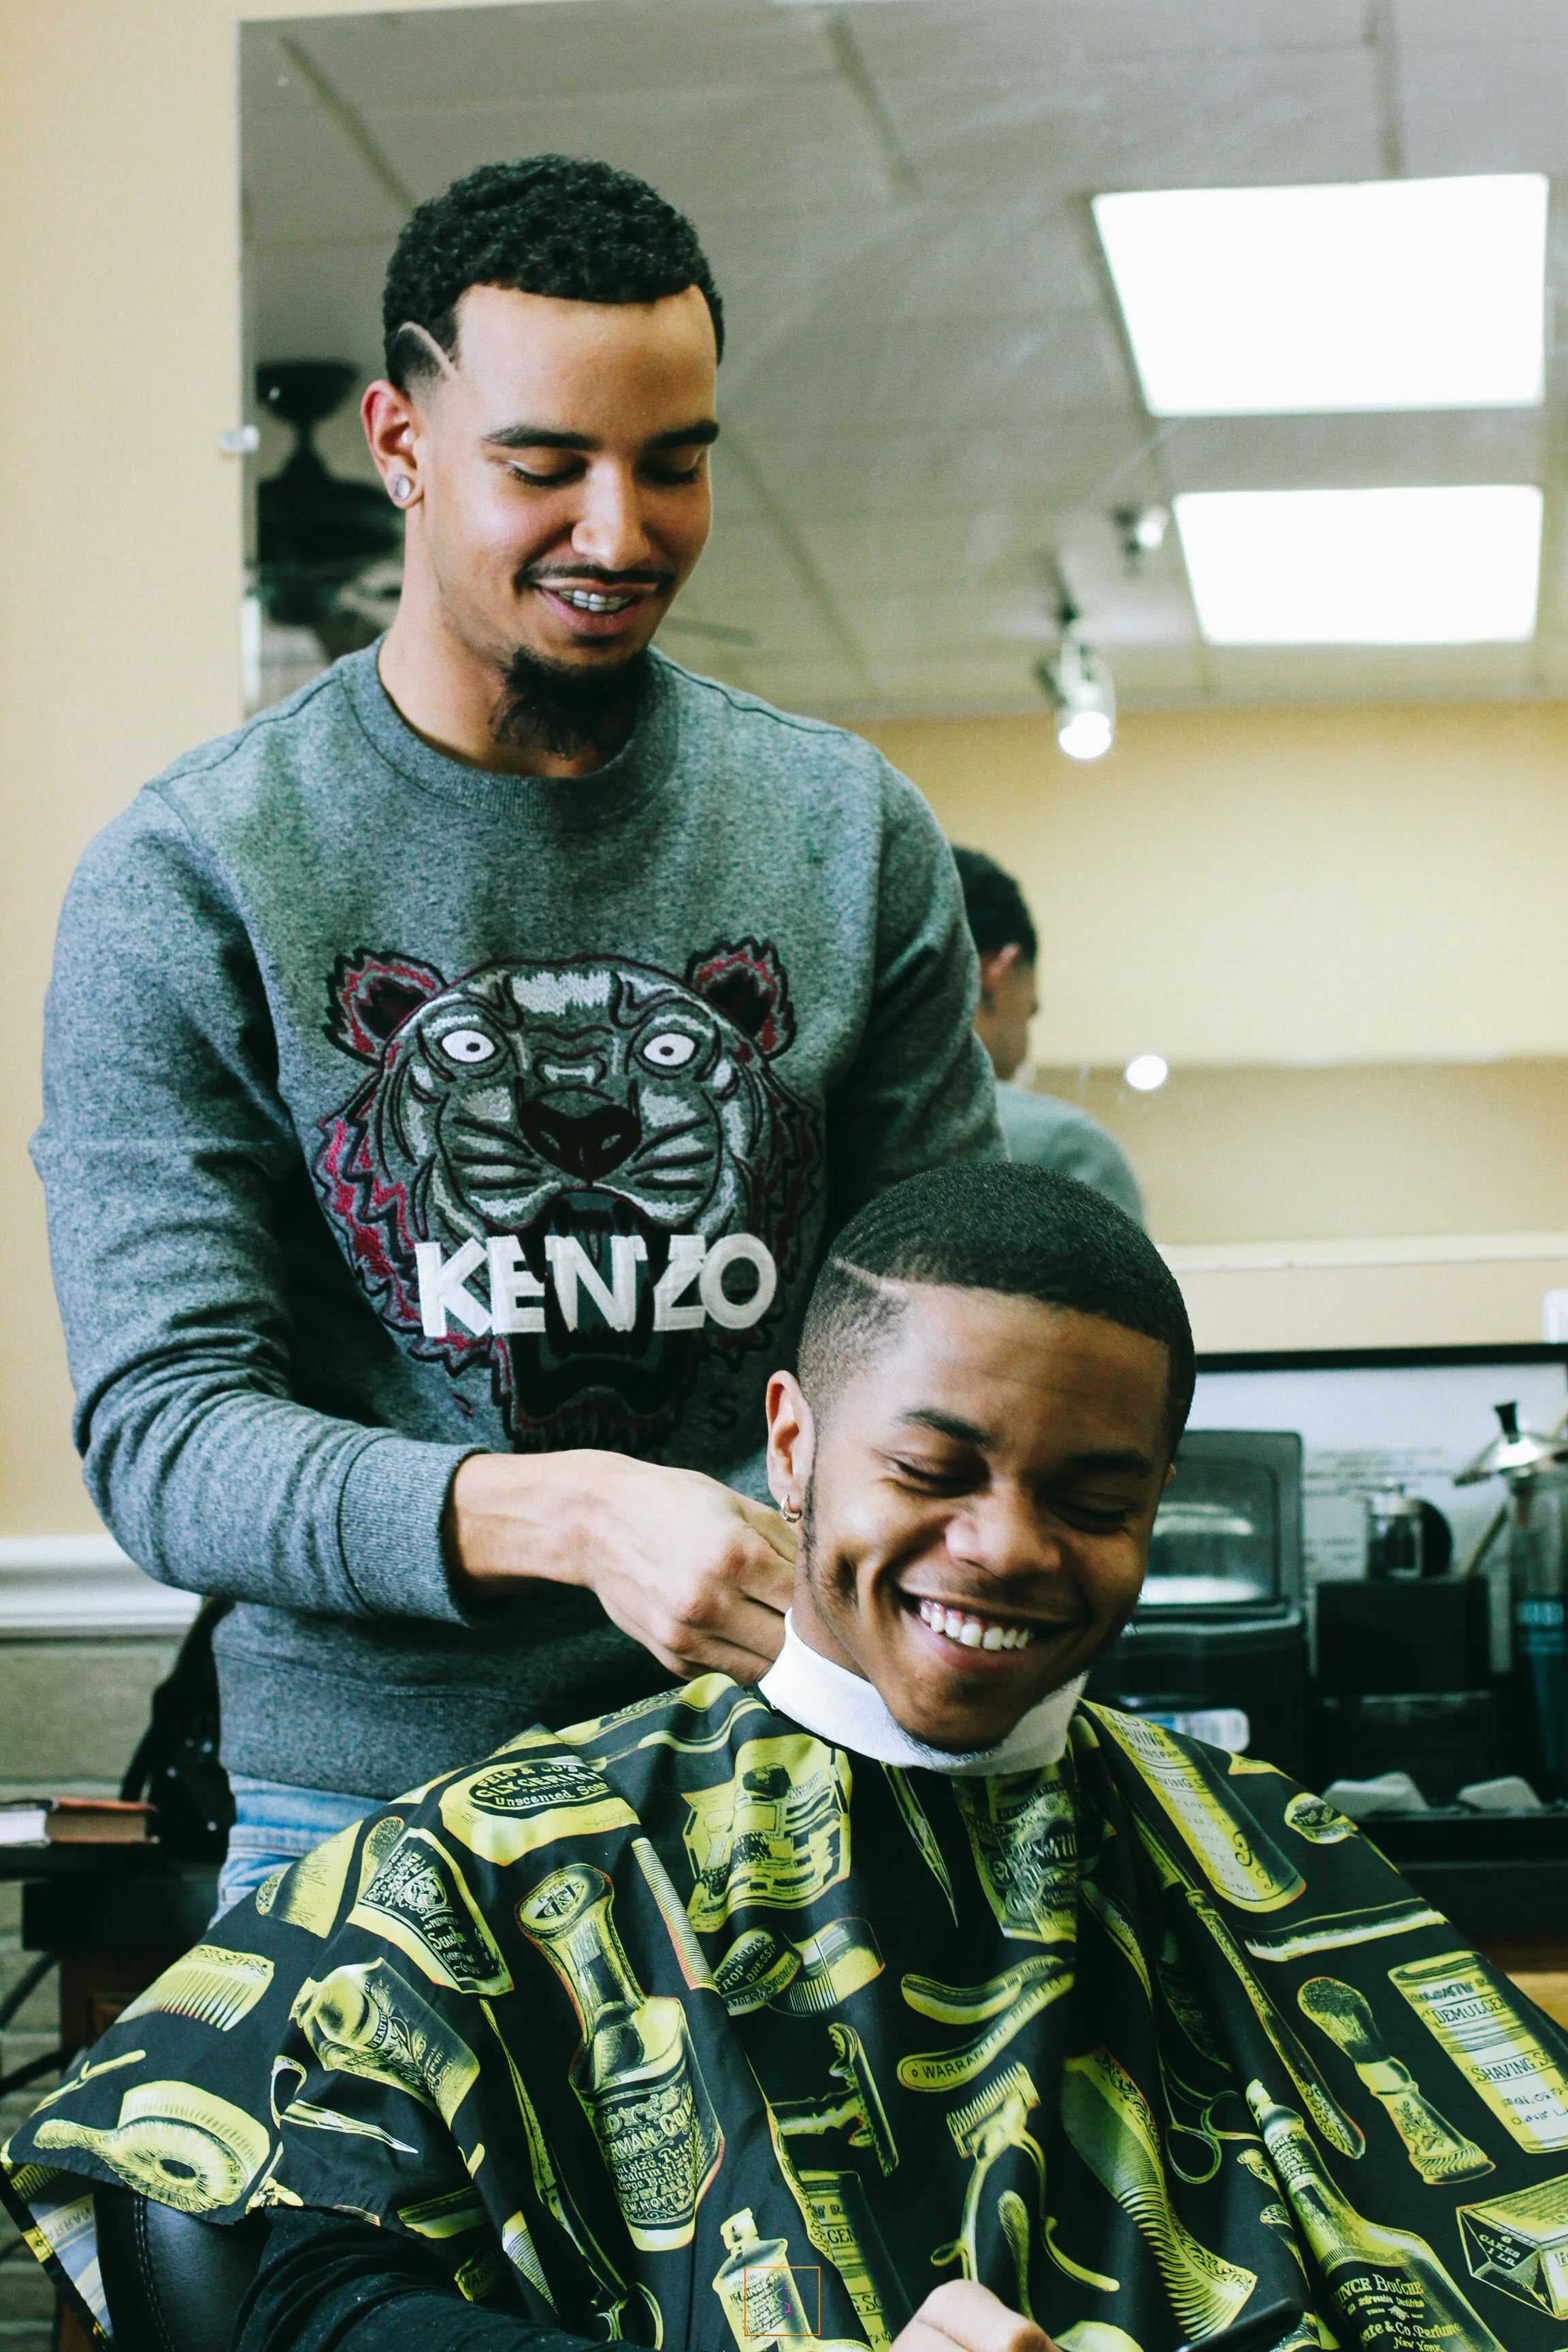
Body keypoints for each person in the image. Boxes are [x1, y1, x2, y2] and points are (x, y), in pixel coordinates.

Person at [8, 1166, 1563, 2352]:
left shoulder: (1263, 1853)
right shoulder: (510, 1850)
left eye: (1096, 1497)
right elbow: (314, 2305)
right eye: (932, 1468)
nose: (1009, 1546)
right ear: (794, 1442)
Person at [31, 156, 1000, 1903]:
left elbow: (942, 1331)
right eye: (543, 466)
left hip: (786, 1781)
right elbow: (169, 1433)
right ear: (401, 445)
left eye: (676, 461)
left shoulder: (850, 837)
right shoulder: (193, 875)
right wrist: (576, 1512)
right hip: (363, 1819)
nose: (621, 533)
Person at [953, 849, 1142, 1225]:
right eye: (1029, 1012)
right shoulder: (1069, 1155)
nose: (1024, 1053)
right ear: (999, 972)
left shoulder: (820, 1126)